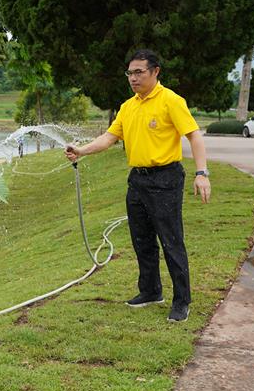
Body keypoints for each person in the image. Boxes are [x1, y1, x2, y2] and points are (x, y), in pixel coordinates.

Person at [65, 49, 211, 323]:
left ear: (155, 72)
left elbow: (194, 136)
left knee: (171, 241)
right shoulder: (128, 107)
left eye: (139, 72)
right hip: (138, 179)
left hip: (166, 178)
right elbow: (109, 138)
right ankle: (150, 291)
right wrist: (81, 151)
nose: (133, 78)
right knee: (142, 240)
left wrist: (201, 173)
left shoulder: (171, 101)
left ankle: (182, 301)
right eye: (130, 73)